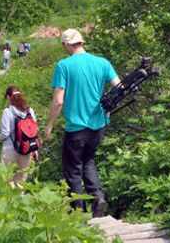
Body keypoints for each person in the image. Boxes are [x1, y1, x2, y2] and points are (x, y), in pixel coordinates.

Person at [44, 28, 120, 217]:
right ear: (82, 42)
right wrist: (108, 108)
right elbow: (120, 87)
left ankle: (79, 210)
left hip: (76, 127)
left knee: (72, 169)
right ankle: (98, 198)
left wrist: (49, 125)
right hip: (98, 125)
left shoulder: (64, 66)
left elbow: (58, 101)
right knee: (88, 161)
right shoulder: (102, 63)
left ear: (66, 44)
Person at [0, 86, 38, 186]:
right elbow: (34, 130)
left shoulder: (7, 111)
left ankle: (9, 201)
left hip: (9, 149)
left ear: (8, 97)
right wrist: (35, 149)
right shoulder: (29, 110)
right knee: (21, 181)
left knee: (6, 180)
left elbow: (5, 133)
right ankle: (20, 200)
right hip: (27, 149)